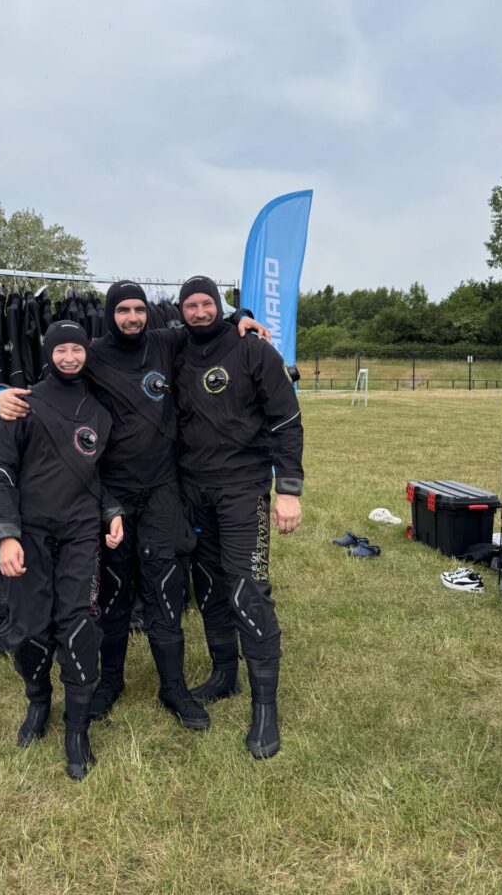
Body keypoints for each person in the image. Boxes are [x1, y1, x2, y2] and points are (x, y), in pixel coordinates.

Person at [0, 282, 270, 734]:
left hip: (163, 491)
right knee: (113, 597)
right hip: (111, 498)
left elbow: (208, 324)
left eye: (138, 309)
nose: (132, 317)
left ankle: (173, 687)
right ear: (109, 314)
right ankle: (110, 682)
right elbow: (52, 387)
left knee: (165, 590)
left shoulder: (166, 340)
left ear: (148, 313)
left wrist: (241, 313)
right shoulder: (93, 354)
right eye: (122, 309)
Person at [0, 321, 124, 781]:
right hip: (30, 535)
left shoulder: (99, 413)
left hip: (82, 533)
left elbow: (99, 475)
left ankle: (77, 728)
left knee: (81, 623)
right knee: (28, 627)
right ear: (49, 353)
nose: (69, 357)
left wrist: (112, 513)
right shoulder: (23, 404)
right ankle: (38, 701)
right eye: (61, 349)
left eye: (77, 349)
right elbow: (1, 471)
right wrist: (6, 534)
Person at [174, 275, 303, 760]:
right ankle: (224, 674)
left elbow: (287, 421)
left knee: (246, 586)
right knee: (207, 584)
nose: (200, 312)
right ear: (181, 310)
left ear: (220, 305)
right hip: (192, 489)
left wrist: (287, 490)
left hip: (243, 487)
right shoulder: (176, 350)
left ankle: (264, 704)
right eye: (192, 305)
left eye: (209, 304)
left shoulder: (254, 350)